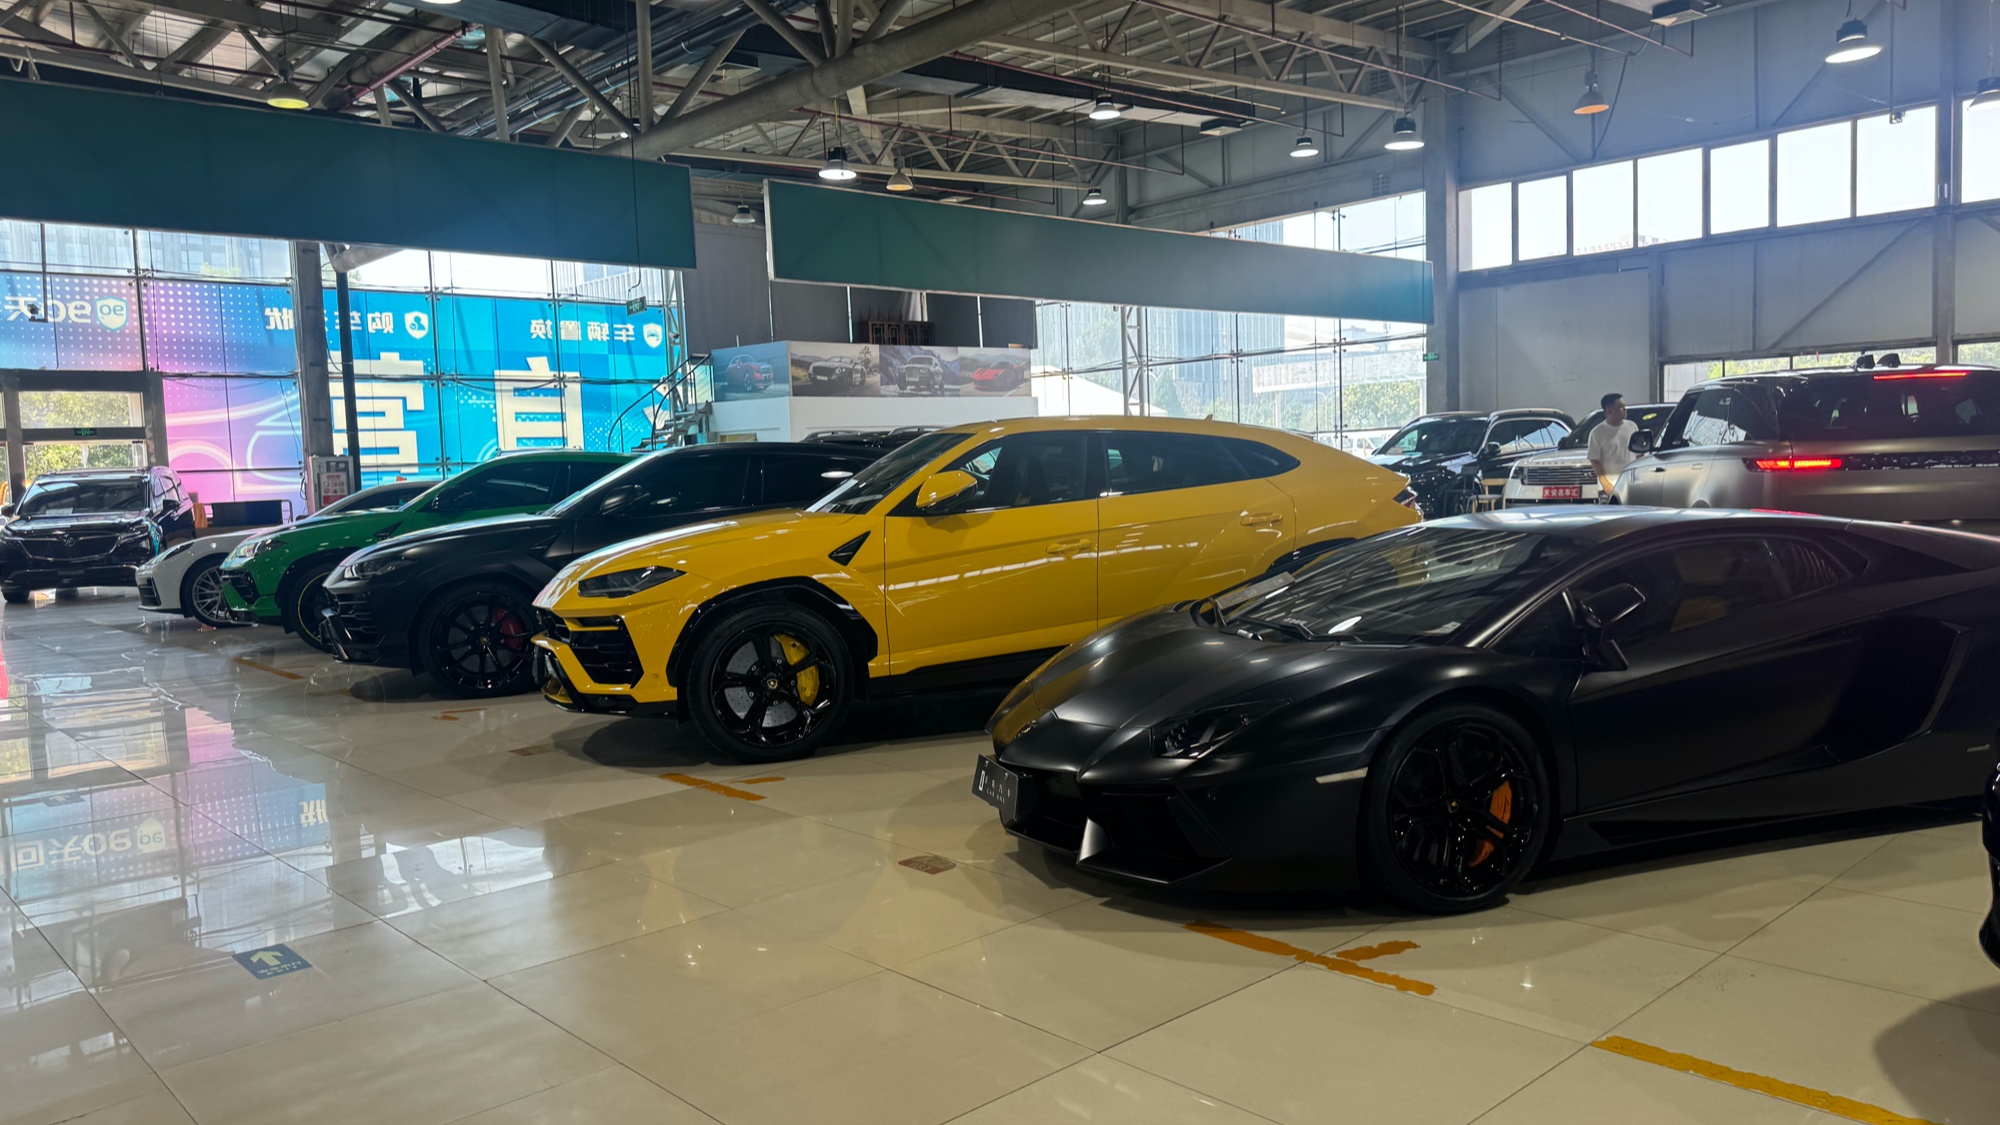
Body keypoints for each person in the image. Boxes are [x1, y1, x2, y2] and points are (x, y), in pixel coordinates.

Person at [1588, 392, 1639, 498]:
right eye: (1620, 406)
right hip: (1610, 486)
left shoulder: (1632, 427)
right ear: (1609, 411)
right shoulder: (1597, 433)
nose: (1625, 409)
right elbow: (1595, 461)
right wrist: (1605, 483)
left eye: (1624, 406)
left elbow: (1639, 454)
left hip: (1631, 483)